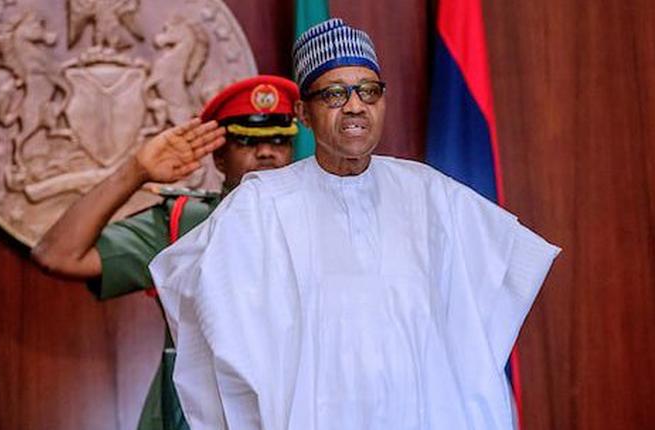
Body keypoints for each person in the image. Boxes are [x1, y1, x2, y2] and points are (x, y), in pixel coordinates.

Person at [149, 18, 561, 430]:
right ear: (303, 114)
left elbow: (498, 287)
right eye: (334, 93)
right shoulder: (259, 207)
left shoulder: (432, 195)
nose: (355, 105)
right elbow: (199, 299)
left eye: (368, 91)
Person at [31, 75, 299, 430]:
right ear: (219, 157)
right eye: (247, 140)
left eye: (279, 140)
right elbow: (57, 254)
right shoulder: (184, 224)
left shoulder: (318, 224)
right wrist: (135, 172)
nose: (267, 152)